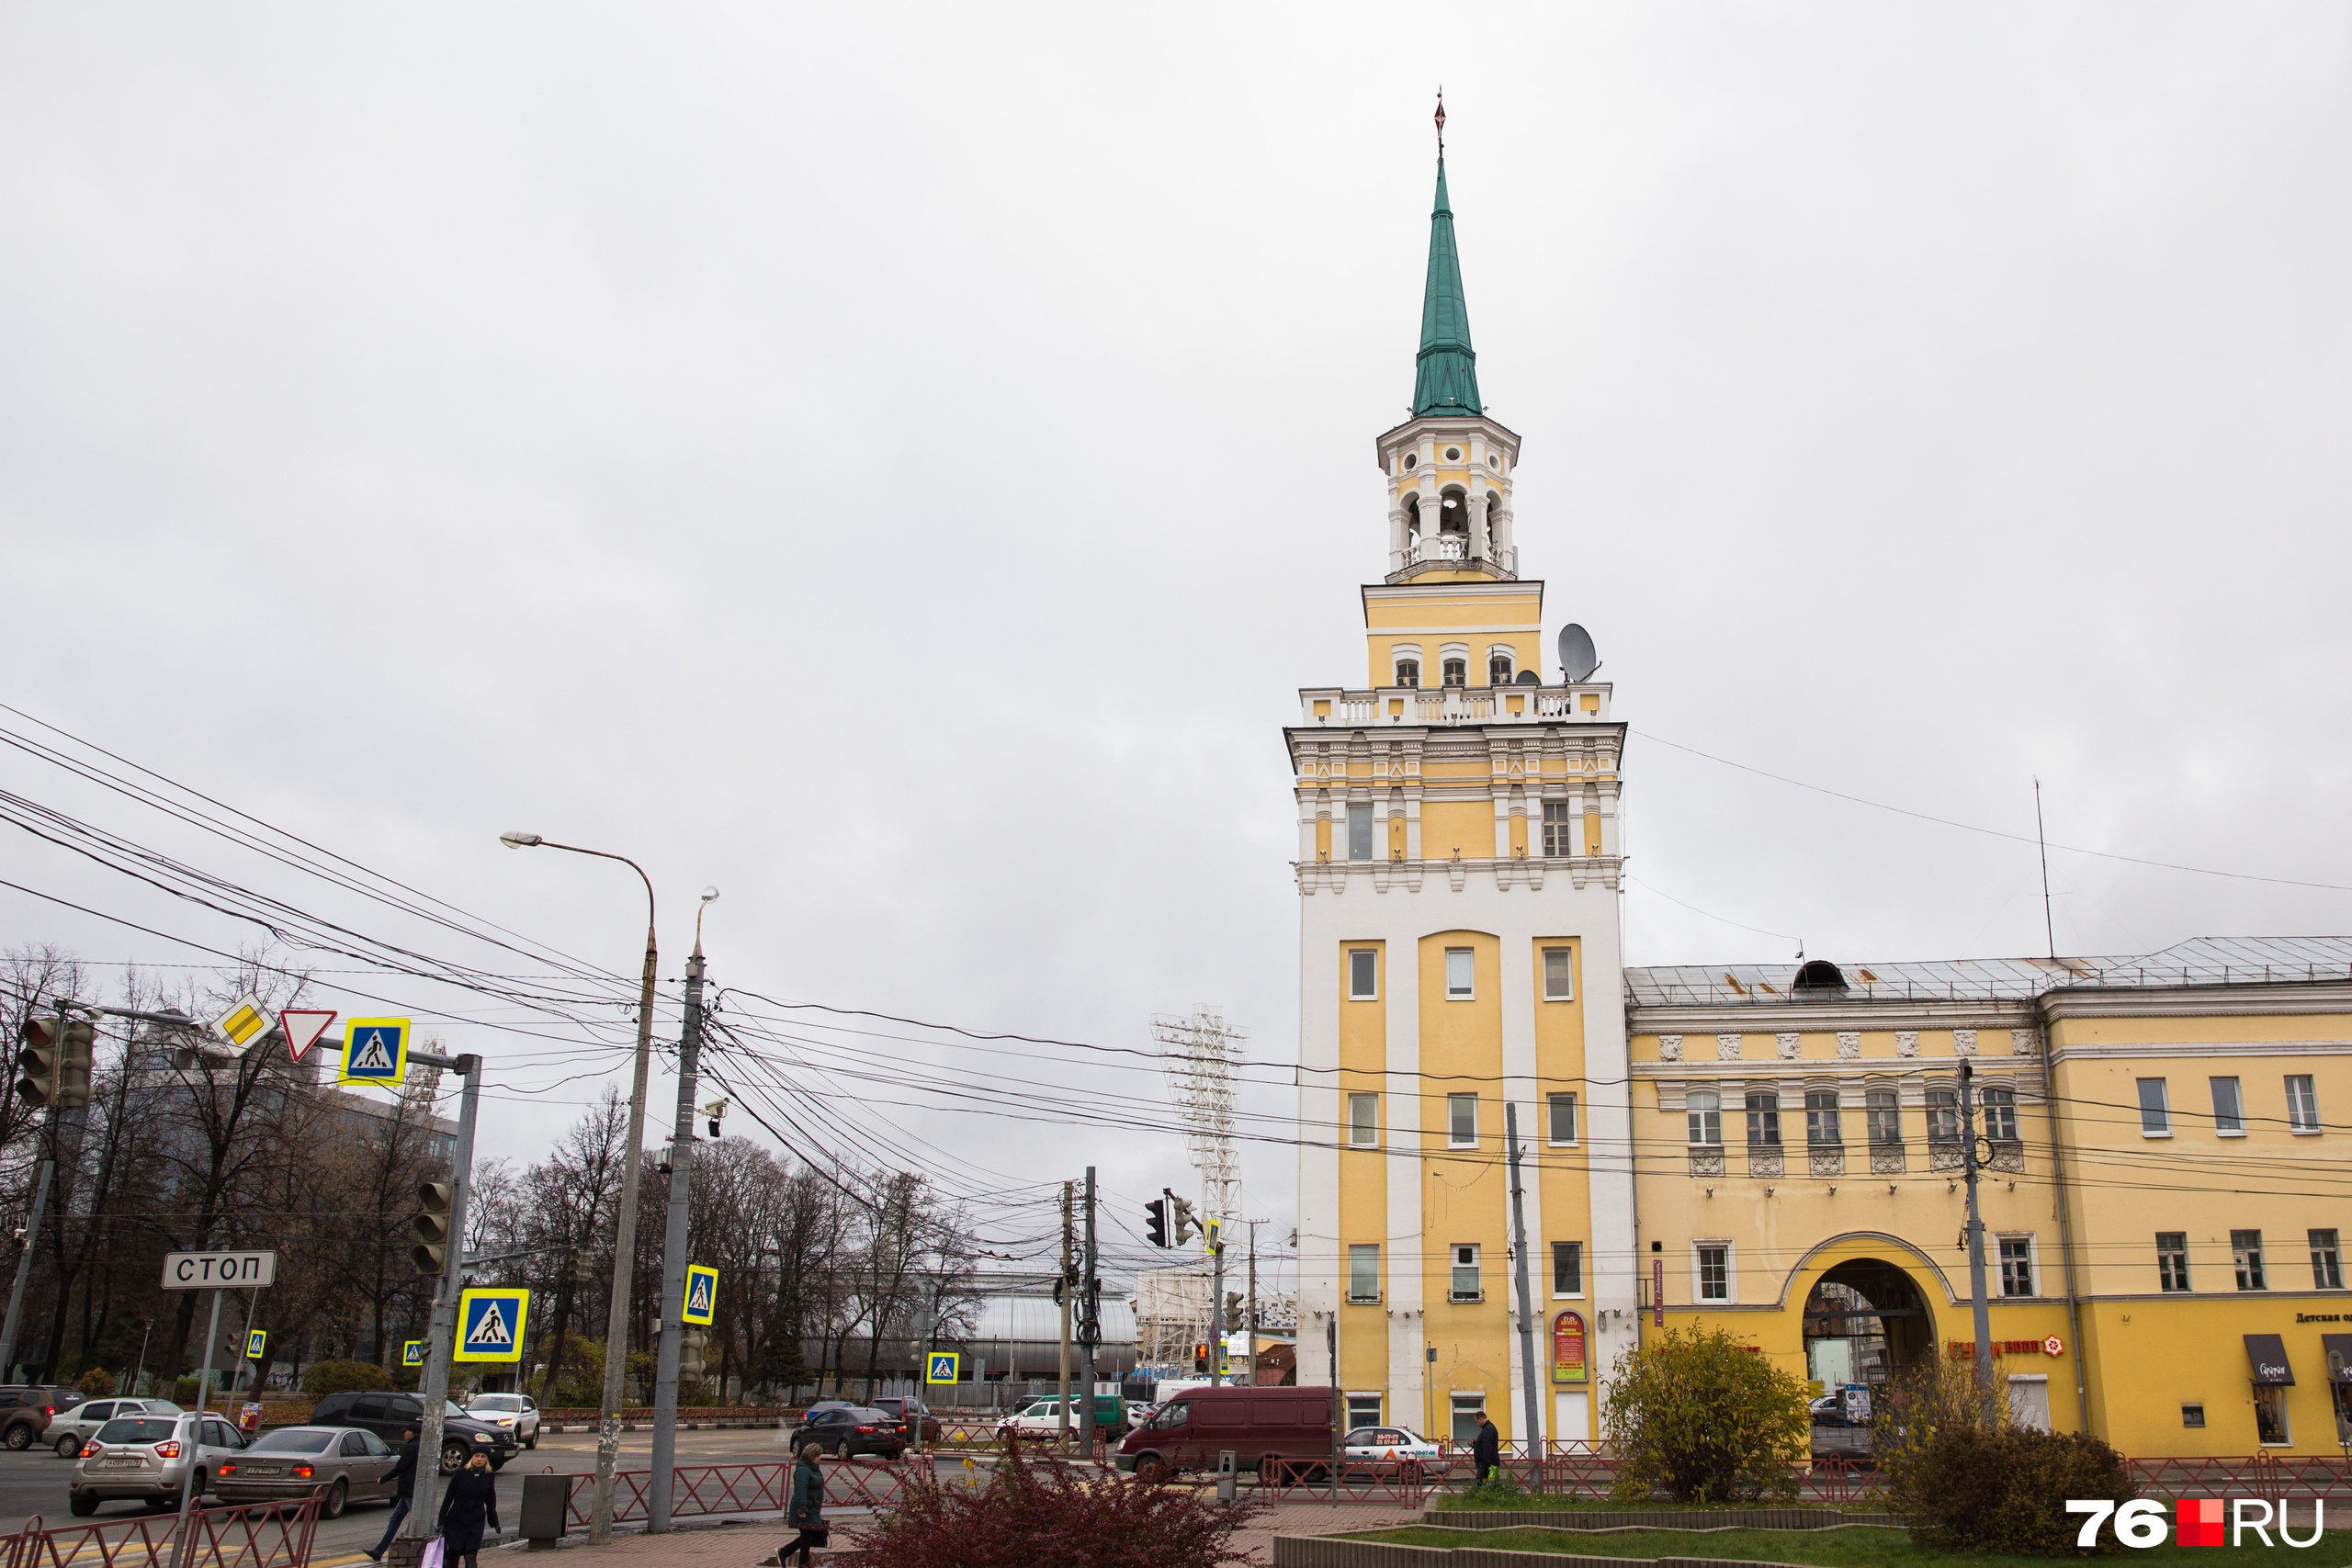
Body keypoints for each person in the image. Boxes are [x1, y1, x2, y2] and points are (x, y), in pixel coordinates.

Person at [436, 1450, 500, 1568]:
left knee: (471, 1558)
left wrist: (494, 1522)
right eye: (476, 1456)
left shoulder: (489, 1476)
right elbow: (448, 1498)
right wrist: (441, 1521)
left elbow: (491, 1501)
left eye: (483, 1456)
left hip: (475, 1522)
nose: (479, 1459)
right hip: (456, 1521)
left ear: (486, 1460)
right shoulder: (460, 1473)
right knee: (453, 1557)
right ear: (472, 1458)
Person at [365, 1427, 420, 1562]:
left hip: (410, 1489)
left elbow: (400, 1467)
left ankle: (441, 1545)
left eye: (406, 1431)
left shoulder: (412, 1447)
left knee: (421, 1521)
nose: (404, 1433)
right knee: (394, 1520)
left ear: (411, 1433)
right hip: (409, 1490)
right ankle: (378, 1552)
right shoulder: (419, 1445)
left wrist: (383, 1478)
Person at [772, 1441, 828, 1566]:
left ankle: (784, 1553)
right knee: (807, 1538)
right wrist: (802, 1509)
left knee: (808, 1537)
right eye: (818, 1456)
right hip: (805, 1510)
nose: (819, 1458)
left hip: (812, 1509)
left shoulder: (813, 1468)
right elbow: (800, 1491)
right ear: (812, 1456)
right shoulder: (803, 1470)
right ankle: (799, 1562)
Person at [1471, 1409, 1499, 1484]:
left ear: (1480, 1419)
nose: (1477, 1424)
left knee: (1480, 1485)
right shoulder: (1489, 1428)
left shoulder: (1488, 1429)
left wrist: (1486, 1463)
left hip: (1487, 1465)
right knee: (1490, 1484)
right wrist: (1475, 1444)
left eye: (1477, 1422)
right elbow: (1485, 1444)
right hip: (1491, 1464)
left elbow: (1487, 1446)